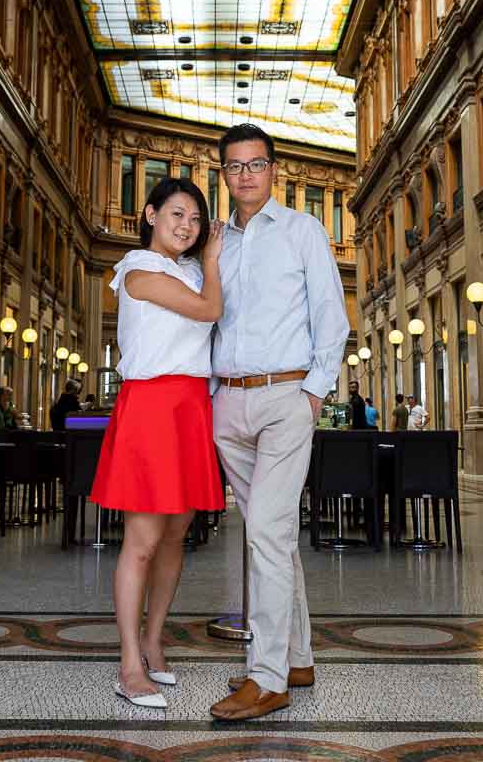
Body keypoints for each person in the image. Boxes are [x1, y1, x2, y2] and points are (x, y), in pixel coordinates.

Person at [208, 123, 349, 722]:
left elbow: (331, 318)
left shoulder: (303, 231)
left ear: (274, 169)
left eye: (256, 164)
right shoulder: (214, 240)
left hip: (286, 398)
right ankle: (297, 654)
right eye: (234, 166)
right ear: (224, 174)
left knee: (265, 530)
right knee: (273, 535)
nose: (245, 175)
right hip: (228, 403)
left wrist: (312, 395)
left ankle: (266, 679)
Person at [89, 177, 225, 709]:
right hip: (151, 407)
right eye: (176, 215)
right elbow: (209, 310)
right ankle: (128, 663)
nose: (187, 227)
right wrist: (213, 257)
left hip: (191, 407)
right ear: (150, 215)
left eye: (195, 220)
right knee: (142, 541)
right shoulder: (139, 270)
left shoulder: (188, 271)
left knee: (175, 536)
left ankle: (153, 640)